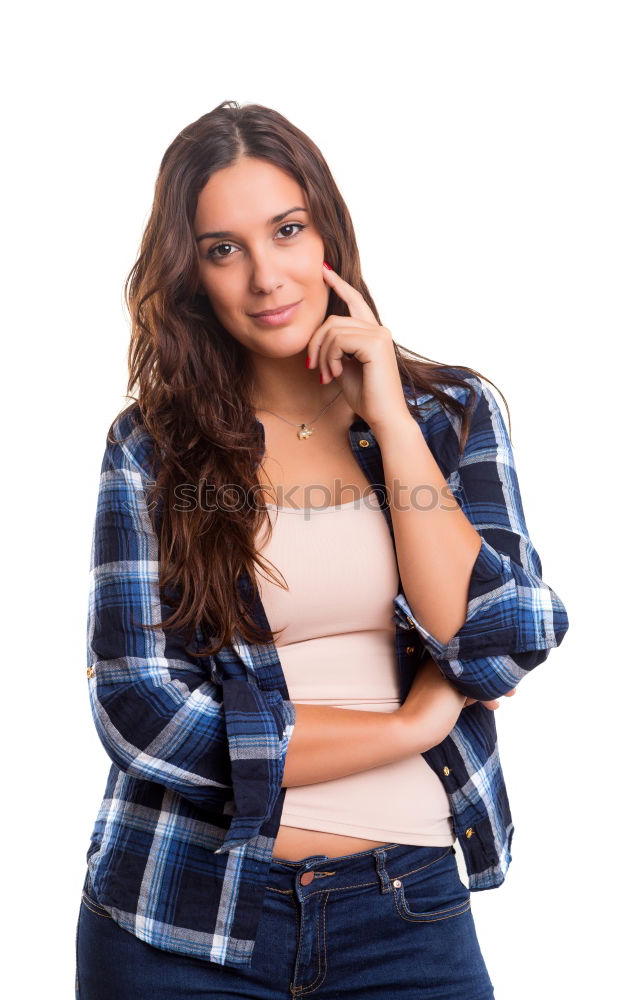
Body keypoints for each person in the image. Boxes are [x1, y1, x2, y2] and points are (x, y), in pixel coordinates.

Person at [75, 100, 569, 999]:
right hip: (183, 922)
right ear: (192, 277)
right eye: (224, 249)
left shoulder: (449, 417)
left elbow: (498, 639)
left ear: (327, 235)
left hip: (407, 913)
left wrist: (388, 417)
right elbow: (142, 711)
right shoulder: (151, 448)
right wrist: (407, 728)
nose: (266, 276)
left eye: (287, 230)